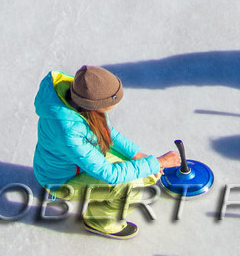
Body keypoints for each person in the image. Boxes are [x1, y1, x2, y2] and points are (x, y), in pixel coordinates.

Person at [32, 64, 182, 240]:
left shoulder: (79, 99)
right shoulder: (67, 131)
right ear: (95, 105)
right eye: (111, 103)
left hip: (68, 164)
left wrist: (134, 154)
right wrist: (158, 163)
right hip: (60, 181)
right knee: (127, 187)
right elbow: (111, 175)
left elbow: (108, 132)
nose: (114, 106)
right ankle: (100, 221)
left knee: (136, 169)